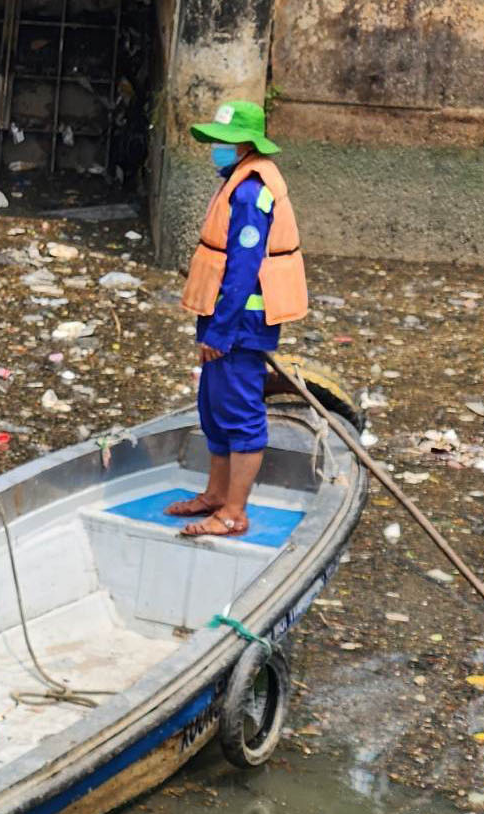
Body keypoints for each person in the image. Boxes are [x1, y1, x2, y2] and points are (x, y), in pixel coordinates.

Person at [170, 99, 308, 538]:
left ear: (247, 144)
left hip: (240, 324)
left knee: (240, 413)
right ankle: (215, 495)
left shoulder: (251, 192)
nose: (218, 149)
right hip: (223, 319)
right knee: (213, 408)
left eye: (226, 142)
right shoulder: (236, 181)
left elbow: (244, 268)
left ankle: (233, 512)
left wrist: (221, 332)